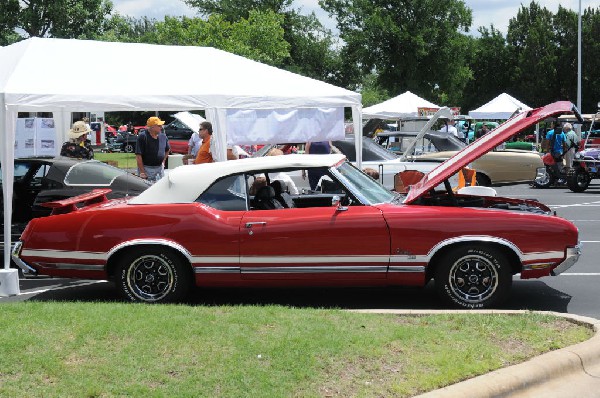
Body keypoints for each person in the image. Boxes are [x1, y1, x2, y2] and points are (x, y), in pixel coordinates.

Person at [135, 116, 170, 182]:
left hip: (160, 168)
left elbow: (167, 150)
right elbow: (138, 156)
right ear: (152, 127)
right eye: (159, 125)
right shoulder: (143, 136)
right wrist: (142, 172)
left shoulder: (163, 136)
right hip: (147, 169)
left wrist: (163, 161)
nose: (161, 127)